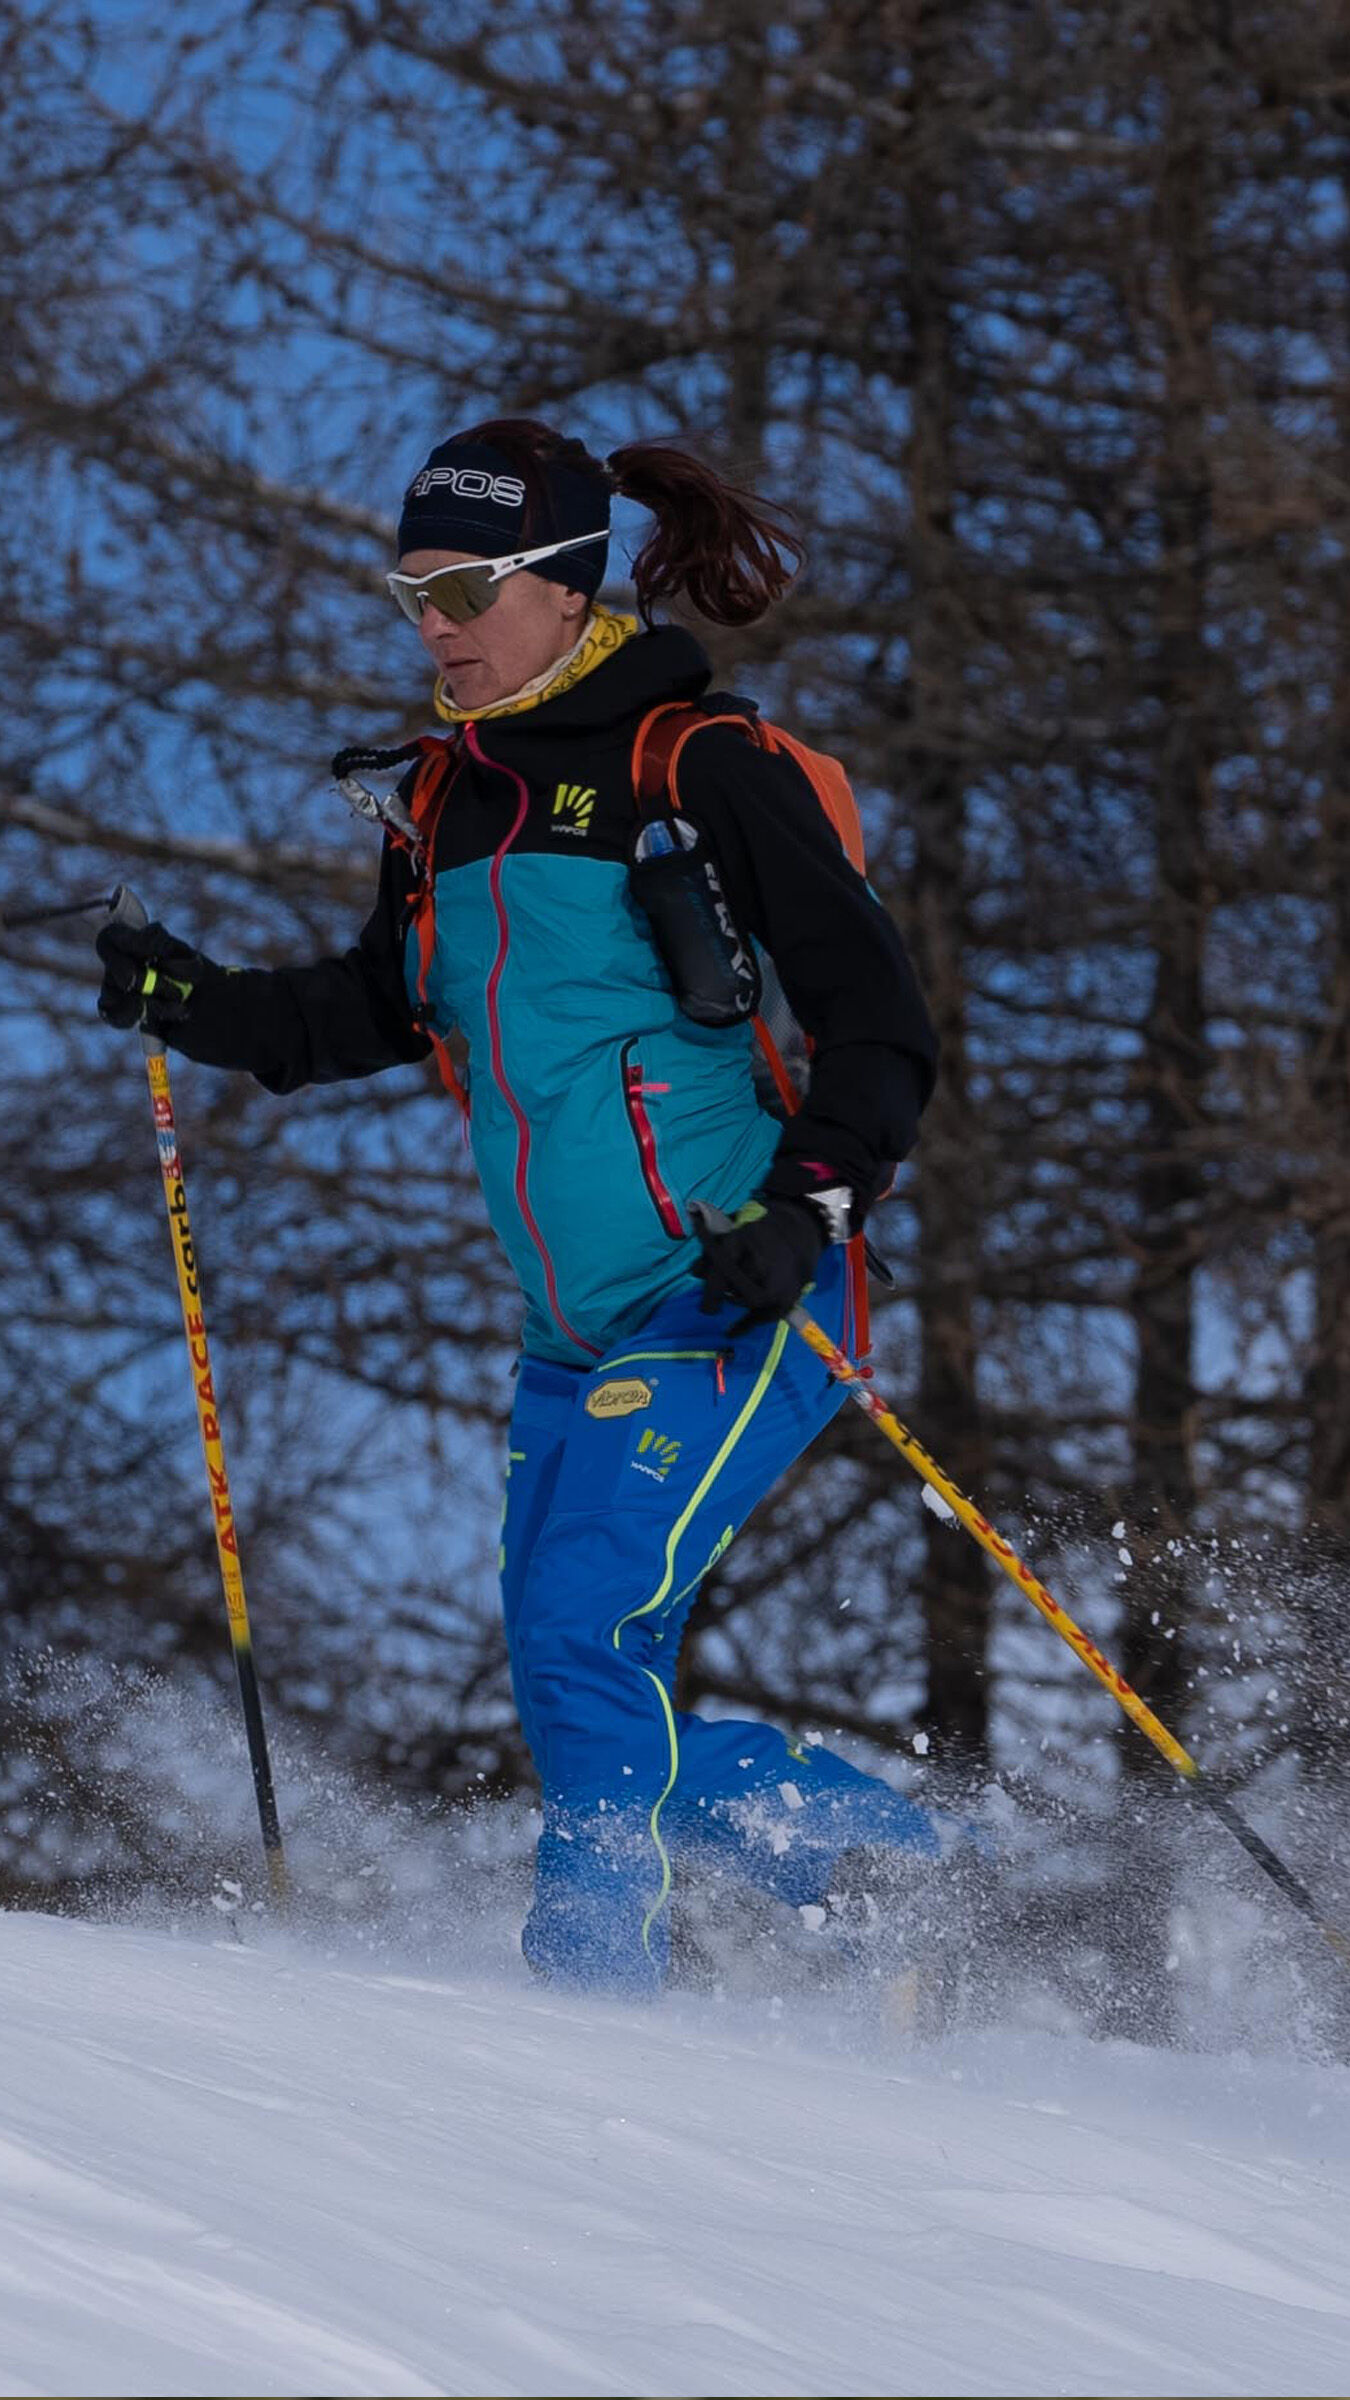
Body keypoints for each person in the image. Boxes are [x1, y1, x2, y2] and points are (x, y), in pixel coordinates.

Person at [97, 419, 947, 1997]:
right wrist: (196, 1003)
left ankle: (588, 2016)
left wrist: (804, 1207)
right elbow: (373, 1009)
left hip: (737, 1283)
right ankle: (878, 1861)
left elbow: (880, 1026)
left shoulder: (697, 767)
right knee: (576, 1682)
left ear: (568, 586)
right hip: (566, 1328)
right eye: (410, 588)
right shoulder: (444, 799)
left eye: (467, 586)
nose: (433, 622)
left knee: (575, 1633)